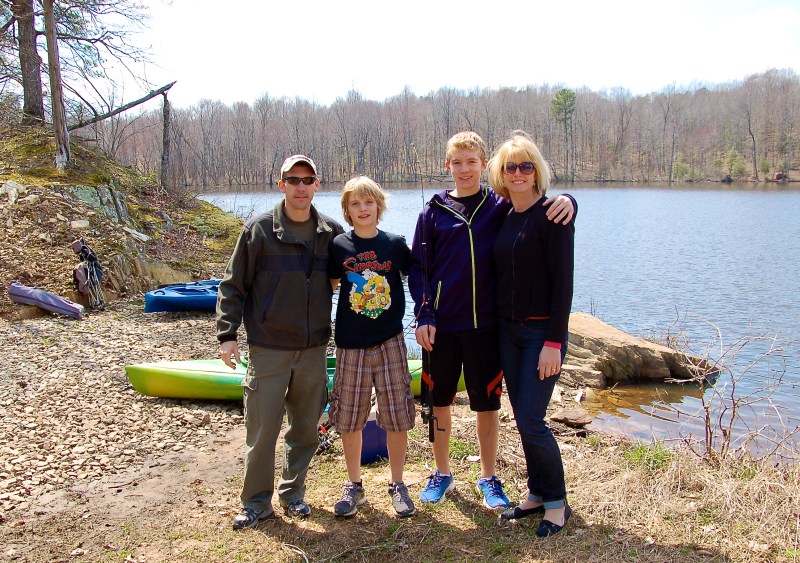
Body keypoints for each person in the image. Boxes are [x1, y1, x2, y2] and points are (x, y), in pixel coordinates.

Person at [408, 131, 576, 509]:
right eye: (457, 162)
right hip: (442, 327)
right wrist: (424, 313)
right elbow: (419, 269)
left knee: (487, 405)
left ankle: (488, 476)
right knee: (439, 402)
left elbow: (538, 208)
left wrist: (569, 200)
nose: (464, 169)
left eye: (472, 161)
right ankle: (442, 472)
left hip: (488, 327)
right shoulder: (432, 213)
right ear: (447, 165)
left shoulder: (499, 206)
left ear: (485, 165)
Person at [216, 154, 344, 529]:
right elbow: (232, 286)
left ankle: (293, 493)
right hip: (268, 348)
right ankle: (256, 503)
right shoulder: (258, 231)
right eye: (293, 180)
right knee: (262, 432)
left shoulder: (331, 232)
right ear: (282, 185)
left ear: (317, 184)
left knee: (304, 429)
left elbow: (351, 279)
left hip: (313, 349)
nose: (300, 187)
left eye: (307, 180)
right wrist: (227, 334)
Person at [489, 131, 574, 537]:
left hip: (541, 334)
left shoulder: (553, 215)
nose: (518, 173)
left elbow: (563, 284)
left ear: (537, 171)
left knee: (532, 419)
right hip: (508, 333)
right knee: (523, 418)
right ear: (501, 174)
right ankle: (537, 492)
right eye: (511, 167)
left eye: (526, 165)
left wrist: (554, 343)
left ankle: (557, 503)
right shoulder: (504, 215)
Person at [327, 176, 417, 518]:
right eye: (355, 204)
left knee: (396, 414)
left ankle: (397, 483)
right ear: (347, 211)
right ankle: (354, 485)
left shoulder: (394, 244)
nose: (363, 209)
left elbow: (419, 274)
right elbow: (330, 284)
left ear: (379, 206)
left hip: (390, 341)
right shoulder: (338, 245)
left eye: (369, 202)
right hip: (351, 344)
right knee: (350, 417)